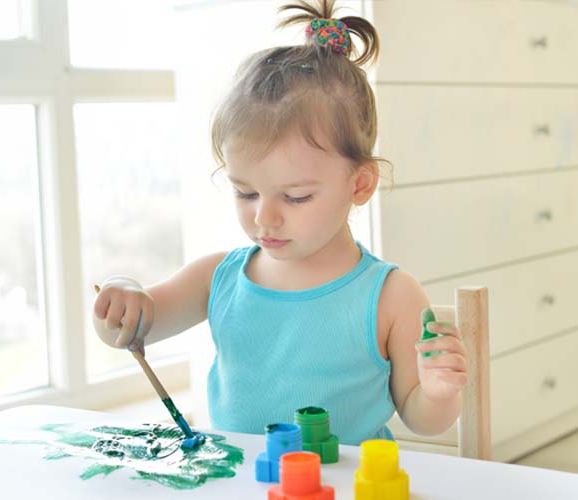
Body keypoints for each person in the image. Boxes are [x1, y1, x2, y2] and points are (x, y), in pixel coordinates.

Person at [93, 0, 467, 444]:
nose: (264, 216)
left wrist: (439, 392)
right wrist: (122, 297)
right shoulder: (217, 278)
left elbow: (422, 418)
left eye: (296, 196)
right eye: (245, 192)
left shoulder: (392, 295)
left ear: (360, 184)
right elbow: (134, 327)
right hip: (244, 482)